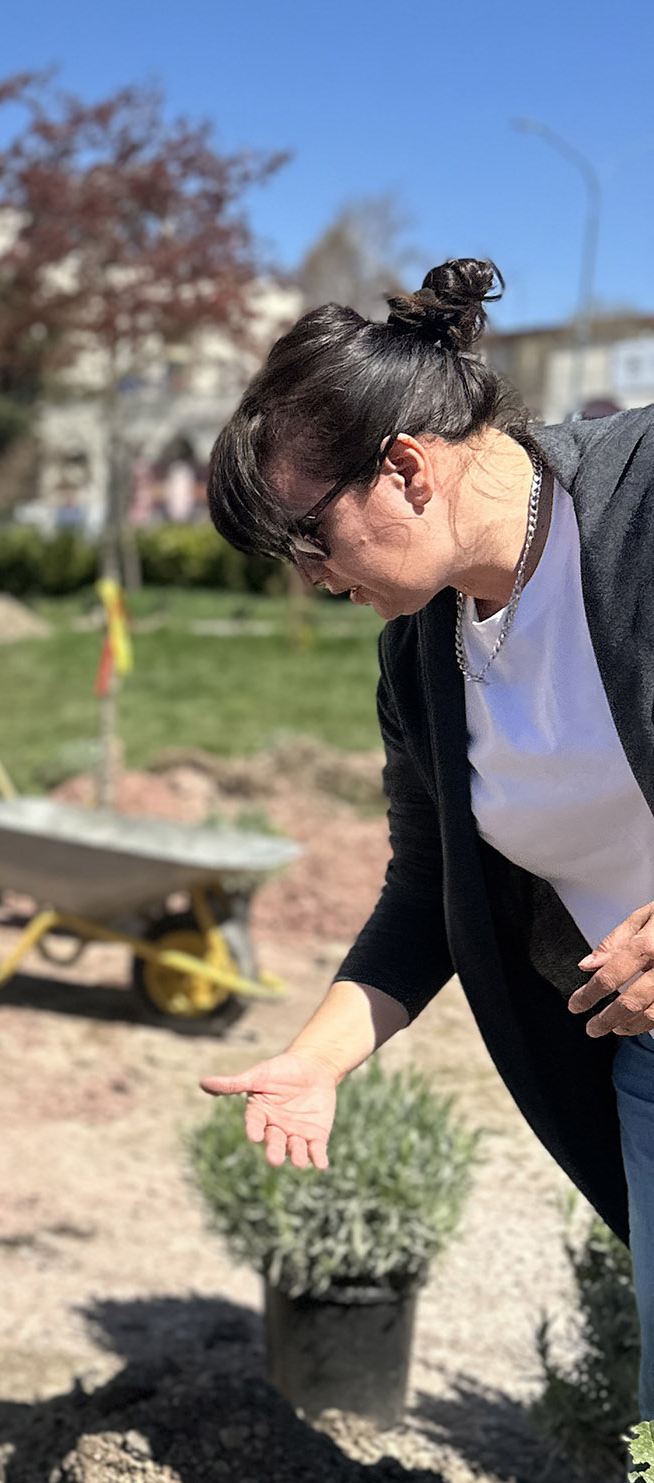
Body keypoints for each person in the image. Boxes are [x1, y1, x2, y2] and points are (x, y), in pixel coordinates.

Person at [199, 257, 654, 1410]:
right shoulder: (420, 653)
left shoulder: (643, 497)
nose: (310, 579)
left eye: (309, 539)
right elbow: (426, 894)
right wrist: (313, 1061)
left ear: (403, 468)